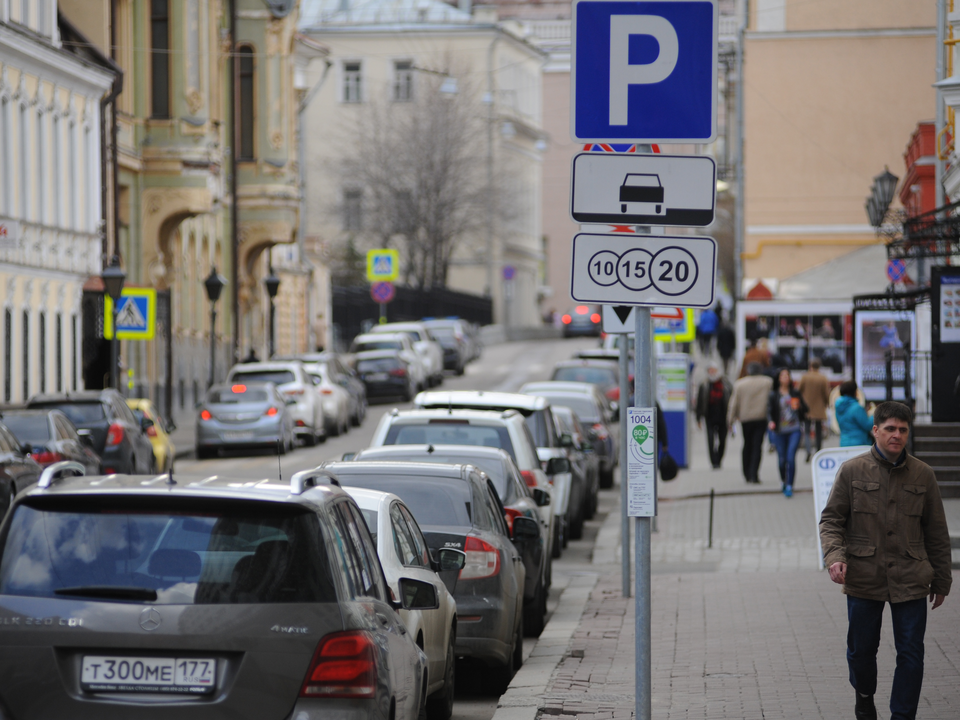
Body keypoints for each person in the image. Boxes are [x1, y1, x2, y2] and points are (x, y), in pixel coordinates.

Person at [819, 402, 951, 720]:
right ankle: (864, 695)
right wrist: (835, 556)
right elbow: (831, 520)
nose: (897, 435)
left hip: (911, 575)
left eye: (903, 430)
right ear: (875, 430)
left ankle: (901, 715)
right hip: (864, 576)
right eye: (890, 428)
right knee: (861, 650)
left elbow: (936, 532)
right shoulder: (852, 471)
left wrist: (942, 580)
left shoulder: (924, 474)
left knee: (911, 653)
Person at [727, 362, 773, 483]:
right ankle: (754, 474)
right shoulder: (767, 382)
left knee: (747, 444)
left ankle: (746, 473)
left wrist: (730, 420)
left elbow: (734, 403)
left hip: (745, 418)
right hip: (761, 417)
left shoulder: (740, 384)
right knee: (757, 446)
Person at [767, 368, 807, 497]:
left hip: (794, 429)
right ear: (778, 378)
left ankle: (790, 485)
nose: (785, 378)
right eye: (783, 375)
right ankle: (783, 481)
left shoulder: (795, 393)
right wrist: (770, 421)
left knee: (790, 457)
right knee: (781, 460)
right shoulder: (774, 394)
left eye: (787, 375)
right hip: (780, 430)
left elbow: (806, 409)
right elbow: (769, 410)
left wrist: (799, 406)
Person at [696, 362, 731, 469]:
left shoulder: (725, 384)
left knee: (722, 439)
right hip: (709, 416)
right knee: (710, 440)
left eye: (713, 370)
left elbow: (732, 400)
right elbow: (699, 402)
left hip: (723, 416)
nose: (712, 372)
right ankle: (713, 461)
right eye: (710, 371)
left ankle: (719, 458)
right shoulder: (704, 385)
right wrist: (698, 418)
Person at [799, 357, 831, 462]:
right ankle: (818, 451)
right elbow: (826, 394)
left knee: (807, 430)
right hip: (819, 407)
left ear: (810, 366)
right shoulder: (823, 378)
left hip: (806, 408)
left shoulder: (805, 377)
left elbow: (799, 391)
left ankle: (808, 450)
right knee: (818, 431)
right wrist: (827, 403)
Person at [835, 380, 874, 447]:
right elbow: (867, 425)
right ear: (855, 392)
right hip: (859, 444)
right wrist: (874, 415)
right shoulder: (857, 408)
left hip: (844, 443)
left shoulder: (838, 407)